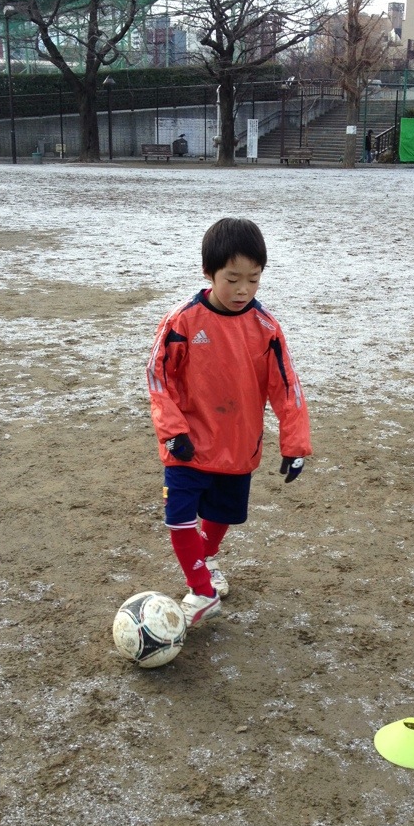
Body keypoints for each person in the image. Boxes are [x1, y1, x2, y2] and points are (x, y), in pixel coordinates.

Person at [147, 217, 312, 628]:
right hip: (187, 443)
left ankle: (207, 560)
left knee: (221, 515)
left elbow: (286, 386)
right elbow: (158, 377)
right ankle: (202, 591)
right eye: (233, 279)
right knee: (179, 515)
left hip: (238, 444)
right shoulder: (182, 321)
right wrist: (173, 431)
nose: (243, 290)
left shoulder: (266, 329)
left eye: (254, 280)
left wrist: (295, 444)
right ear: (209, 273)